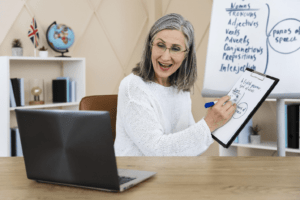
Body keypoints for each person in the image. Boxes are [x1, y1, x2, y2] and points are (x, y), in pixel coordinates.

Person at [114, 13, 236, 156]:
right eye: (160, 45)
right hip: (138, 173)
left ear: (186, 54)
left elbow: (188, 144)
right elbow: (157, 150)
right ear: (150, 47)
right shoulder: (132, 87)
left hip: (171, 171)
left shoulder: (179, 88)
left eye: (176, 48)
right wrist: (209, 123)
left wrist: (215, 121)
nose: (165, 57)